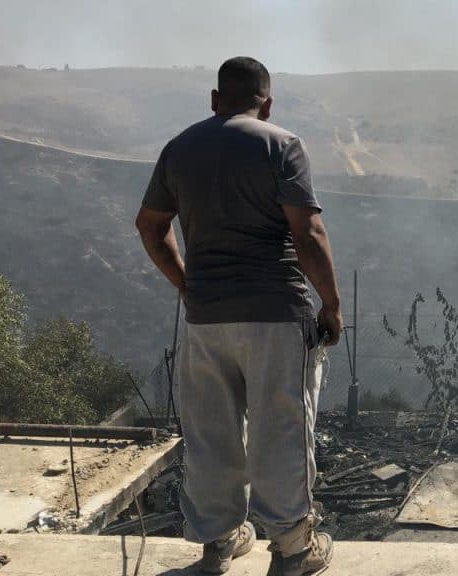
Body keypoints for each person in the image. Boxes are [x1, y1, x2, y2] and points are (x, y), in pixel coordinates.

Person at [135, 56, 342, 576]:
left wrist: (188, 284)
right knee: (280, 426)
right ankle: (294, 550)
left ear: (214, 99)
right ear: (266, 103)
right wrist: (332, 304)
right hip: (275, 313)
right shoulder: (280, 144)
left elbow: (150, 226)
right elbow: (308, 233)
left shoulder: (179, 149)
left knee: (211, 432)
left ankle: (218, 543)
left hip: (206, 318)